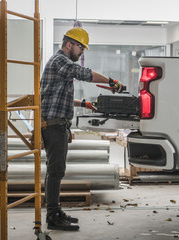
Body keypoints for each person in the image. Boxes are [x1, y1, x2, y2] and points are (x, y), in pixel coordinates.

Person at [40, 27, 124, 231]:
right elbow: (83, 73)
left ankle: (55, 210)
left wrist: (83, 104)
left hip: (57, 124)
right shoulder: (60, 61)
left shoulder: (59, 63)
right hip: (53, 126)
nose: (82, 52)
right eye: (80, 47)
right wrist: (111, 81)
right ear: (69, 44)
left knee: (56, 170)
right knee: (56, 170)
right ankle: (52, 216)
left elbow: (58, 97)